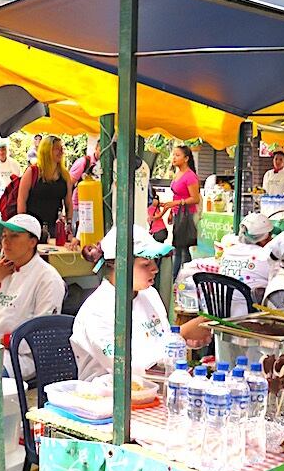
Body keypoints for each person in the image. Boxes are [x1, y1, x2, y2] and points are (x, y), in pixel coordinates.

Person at [71, 225, 211, 381]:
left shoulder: (149, 294)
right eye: (145, 264)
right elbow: (127, 366)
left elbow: (160, 344)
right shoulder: (97, 310)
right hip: (104, 396)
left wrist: (184, 343)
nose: (155, 269)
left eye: (154, 261)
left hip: (155, 388)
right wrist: (181, 334)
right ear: (120, 265)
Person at [0, 214, 66, 381]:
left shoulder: (48, 278)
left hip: (18, 354)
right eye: (4, 236)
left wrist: (2, 339)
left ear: (33, 242)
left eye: (14, 236)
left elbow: (42, 335)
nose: (6, 241)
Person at [17, 135, 72, 242]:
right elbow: (21, 199)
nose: (61, 152)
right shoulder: (32, 172)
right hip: (32, 228)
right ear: (46, 151)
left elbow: (68, 202)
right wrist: (23, 226)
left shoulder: (65, 175)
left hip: (55, 229)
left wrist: (68, 224)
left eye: (62, 149)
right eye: (57, 149)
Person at [219, 212, 274, 313]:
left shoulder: (228, 252)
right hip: (249, 317)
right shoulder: (265, 256)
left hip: (222, 313)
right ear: (264, 239)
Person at [159, 144, 200, 278]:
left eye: (177, 155)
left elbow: (195, 199)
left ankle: (177, 277)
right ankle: (181, 276)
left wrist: (176, 203)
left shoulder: (190, 176)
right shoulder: (178, 174)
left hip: (188, 215)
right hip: (178, 213)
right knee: (181, 247)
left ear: (186, 158)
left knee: (181, 247)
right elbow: (176, 195)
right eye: (174, 155)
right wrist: (172, 211)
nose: (174, 158)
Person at [69, 144, 101, 226]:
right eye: (101, 150)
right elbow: (69, 183)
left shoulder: (108, 165)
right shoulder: (84, 162)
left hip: (96, 207)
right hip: (79, 206)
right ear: (96, 147)